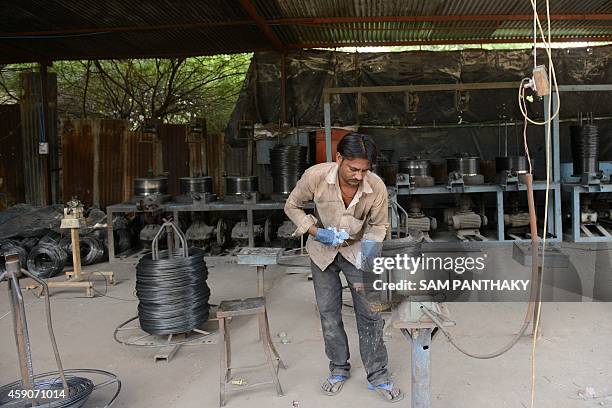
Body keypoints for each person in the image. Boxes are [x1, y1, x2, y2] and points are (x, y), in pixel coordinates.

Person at [284, 133, 403, 402]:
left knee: (371, 314)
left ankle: (378, 374)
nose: (359, 176)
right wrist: (316, 232)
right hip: (322, 252)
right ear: (339, 158)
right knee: (328, 313)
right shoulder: (315, 176)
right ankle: (338, 368)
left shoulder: (377, 188)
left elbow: (378, 226)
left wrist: (370, 263)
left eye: (365, 170)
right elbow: (292, 206)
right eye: (353, 169)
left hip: (357, 251)